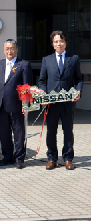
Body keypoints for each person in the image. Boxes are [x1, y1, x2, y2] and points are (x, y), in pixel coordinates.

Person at [38, 31, 82, 170]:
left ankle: (68, 158)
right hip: (51, 103)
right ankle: (52, 158)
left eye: (61, 41)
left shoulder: (73, 59)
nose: (59, 44)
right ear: (52, 44)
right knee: (51, 132)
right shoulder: (46, 60)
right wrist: (43, 94)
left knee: (68, 131)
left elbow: (79, 79)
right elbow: (42, 80)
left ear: (66, 43)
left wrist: (78, 91)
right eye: (56, 41)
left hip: (68, 103)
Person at [0, 39, 32, 169]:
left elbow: (26, 87)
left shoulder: (23, 65)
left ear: (17, 49)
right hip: (0, 105)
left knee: (18, 133)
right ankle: (7, 157)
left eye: (12, 48)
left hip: (16, 105)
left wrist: (26, 105)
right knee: (5, 133)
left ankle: (19, 159)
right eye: (7, 48)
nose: (9, 51)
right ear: (4, 50)